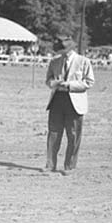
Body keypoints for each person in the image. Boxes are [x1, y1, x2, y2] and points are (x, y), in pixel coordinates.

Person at [43, 35, 95, 175]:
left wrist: (70, 85)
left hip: (75, 102)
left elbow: (89, 82)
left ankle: (70, 166)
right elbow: (48, 80)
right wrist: (53, 83)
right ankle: (50, 165)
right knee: (53, 133)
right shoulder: (54, 62)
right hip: (57, 100)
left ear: (68, 49)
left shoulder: (84, 61)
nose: (59, 53)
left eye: (61, 50)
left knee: (73, 135)